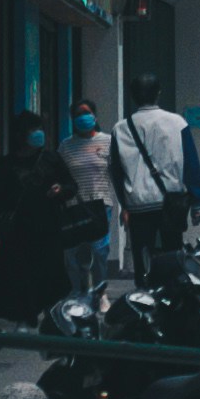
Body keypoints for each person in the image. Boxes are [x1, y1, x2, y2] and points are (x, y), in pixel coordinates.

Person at [0, 113, 77, 323]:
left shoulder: (51, 159)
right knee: (20, 282)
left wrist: (60, 189)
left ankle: (51, 319)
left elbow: (71, 186)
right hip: (18, 234)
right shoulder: (5, 166)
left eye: (39, 128)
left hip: (48, 231)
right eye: (33, 129)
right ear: (19, 135)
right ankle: (25, 321)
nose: (39, 134)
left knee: (50, 280)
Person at [110, 77, 200, 278]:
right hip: (172, 203)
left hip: (138, 205)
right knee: (173, 254)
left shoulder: (120, 129)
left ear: (133, 96)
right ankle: (172, 296)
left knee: (143, 259)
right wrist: (196, 203)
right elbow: (191, 164)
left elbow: (116, 172)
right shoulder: (177, 123)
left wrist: (124, 204)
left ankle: (145, 296)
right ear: (158, 93)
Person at [58, 99, 116, 293]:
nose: (83, 117)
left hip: (101, 204)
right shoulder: (66, 146)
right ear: (73, 119)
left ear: (94, 116)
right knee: (72, 253)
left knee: (99, 251)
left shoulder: (108, 141)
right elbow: (58, 174)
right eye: (78, 114)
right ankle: (76, 293)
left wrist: (125, 206)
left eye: (86, 112)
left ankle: (100, 293)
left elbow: (118, 173)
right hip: (74, 206)